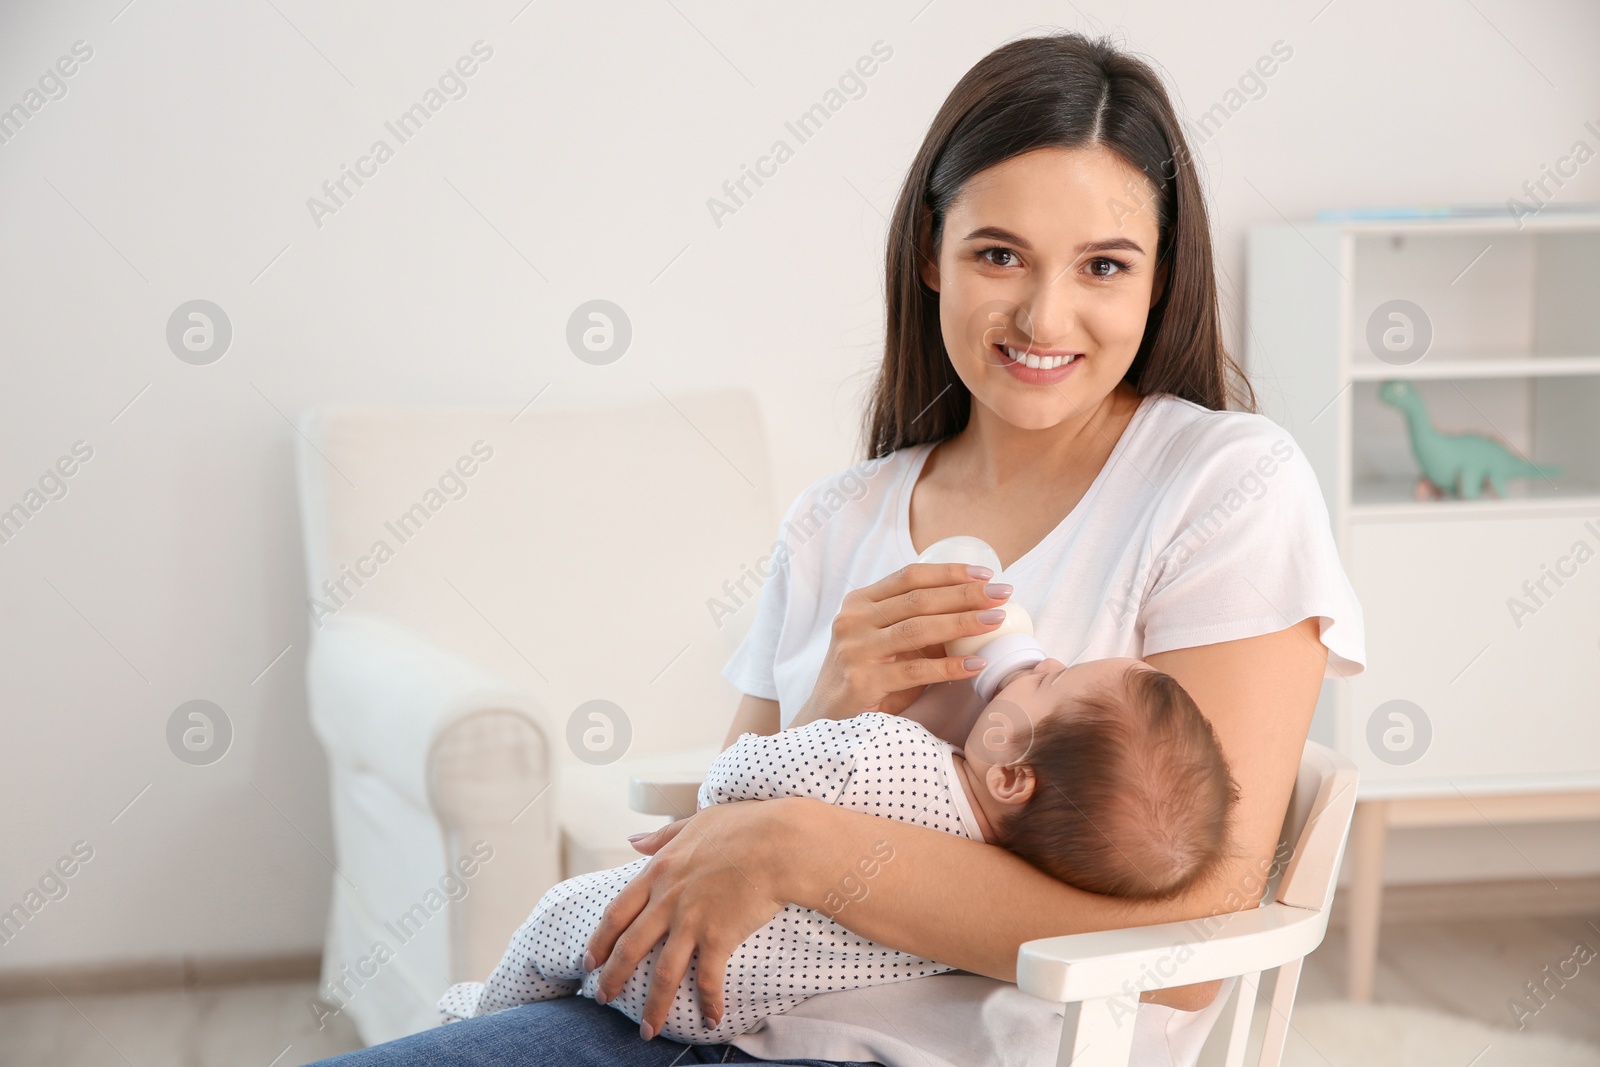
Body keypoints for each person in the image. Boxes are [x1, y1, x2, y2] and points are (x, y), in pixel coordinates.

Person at [308, 27, 1364, 1067]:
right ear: (930, 255)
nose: (1047, 313)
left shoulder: (1225, 485)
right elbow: (730, 825)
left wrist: (809, 851)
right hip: (692, 1006)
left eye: (1103, 264)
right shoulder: (837, 518)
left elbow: (1183, 943)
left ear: (1158, 276)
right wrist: (825, 710)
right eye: (999, 253)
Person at [436, 658, 1241, 1043]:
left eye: (1055, 679)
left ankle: (482, 1006)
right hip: (726, 1014)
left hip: (651, 946)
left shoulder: (888, 750)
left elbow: (736, 774)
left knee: (556, 916)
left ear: (1011, 775)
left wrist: (743, 810)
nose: (1041, 660)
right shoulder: (983, 895)